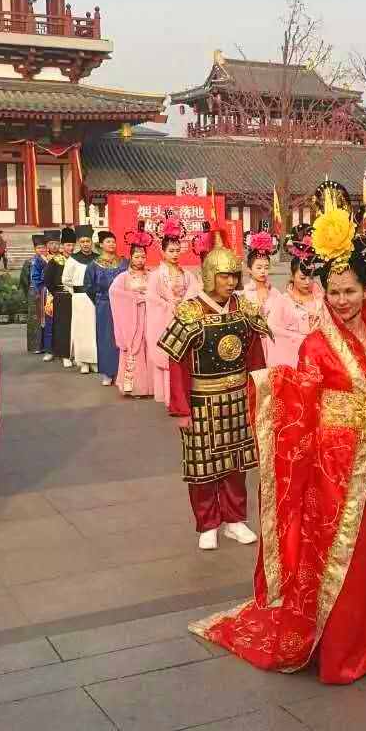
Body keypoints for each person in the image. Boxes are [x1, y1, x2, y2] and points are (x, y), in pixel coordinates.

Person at [191, 198, 366, 684]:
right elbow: (300, 399)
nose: (342, 299)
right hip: (330, 466)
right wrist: (266, 389)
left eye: (350, 290)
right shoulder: (315, 344)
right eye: (334, 291)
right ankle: (338, 652)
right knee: (336, 557)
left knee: (365, 556)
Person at [158, 227, 270, 551]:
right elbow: (178, 364)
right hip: (201, 400)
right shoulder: (190, 311)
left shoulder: (245, 308)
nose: (230, 282)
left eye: (234, 276)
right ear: (209, 276)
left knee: (236, 464)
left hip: (238, 398)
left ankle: (235, 520)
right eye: (224, 276)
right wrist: (181, 409)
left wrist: (259, 397)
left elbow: (256, 358)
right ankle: (208, 523)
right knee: (202, 466)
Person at [146, 216, 199, 405]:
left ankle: (183, 396)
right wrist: (170, 307)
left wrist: (185, 305)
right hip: (165, 322)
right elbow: (152, 298)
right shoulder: (156, 276)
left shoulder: (187, 274)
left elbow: (195, 292)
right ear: (162, 251)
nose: (175, 254)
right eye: (171, 251)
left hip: (184, 319)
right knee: (168, 358)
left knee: (183, 358)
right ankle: (170, 397)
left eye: (177, 250)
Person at [109, 224, 154, 398]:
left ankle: (151, 387)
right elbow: (114, 293)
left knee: (150, 347)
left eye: (143, 256)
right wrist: (134, 298)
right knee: (136, 348)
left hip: (150, 316)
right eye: (137, 256)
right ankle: (134, 387)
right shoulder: (123, 277)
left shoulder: (152, 275)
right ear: (131, 257)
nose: (140, 260)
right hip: (133, 318)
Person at [262, 249, 325, 368]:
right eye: (302, 278)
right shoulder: (283, 301)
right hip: (293, 360)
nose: (307, 282)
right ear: (292, 276)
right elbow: (273, 329)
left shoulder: (321, 299)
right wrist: (299, 339)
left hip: (320, 357)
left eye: (311, 277)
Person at [85, 230, 128, 386]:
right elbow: (88, 287)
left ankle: (122, 372)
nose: (112, 244)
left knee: (122, 337)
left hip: (123, 305)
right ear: (101, 244)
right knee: (106, 338)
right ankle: (108, 373)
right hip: (104, 305)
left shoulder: (124, 263)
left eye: (113, 241)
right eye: (108, 241)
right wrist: (100, 301)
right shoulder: (94, 265)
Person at [63, 225, 98, 373]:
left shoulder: (97, 259)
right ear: (79, 243)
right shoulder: (72, 259)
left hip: (95, 298)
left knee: (94, 329)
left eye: (87, 241)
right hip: (79, 298)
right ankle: (83, 361)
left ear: (91, 242)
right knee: (81, 330)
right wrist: (76, 293)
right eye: (82, 241)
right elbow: (66, 279)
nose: (85, 244)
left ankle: (95, 360)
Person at [41, 230, 72, 365]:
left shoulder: (71, 259)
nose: (54, 246)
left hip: (70, 295)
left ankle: (68, 351)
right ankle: (49, 350)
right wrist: (55, 293)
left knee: (67, 324)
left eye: (56, 243)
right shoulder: (51, 260)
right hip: (53, 295)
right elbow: (47, 279)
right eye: (51, 243)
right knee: (51, 323)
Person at [241, 227, 280, 310]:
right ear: (249, 269)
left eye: (266, 267)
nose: (263, 271)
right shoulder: (243, 293)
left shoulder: (275, 293)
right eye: (259, 268)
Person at [20, 234, 47, 354]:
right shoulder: (29, 262)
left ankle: (47, 345)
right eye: (38, 248)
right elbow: (24, 280)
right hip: (33, 292)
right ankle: (35, 346)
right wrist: (30, 292)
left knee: (46, 318)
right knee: (34, 319)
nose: (41, 250)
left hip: (46, 292)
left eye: (43, 247)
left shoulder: (49, 260)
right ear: (34, 249)